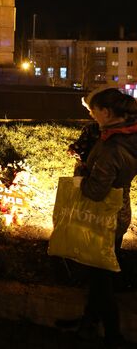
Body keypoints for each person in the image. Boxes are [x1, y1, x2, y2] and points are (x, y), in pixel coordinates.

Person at [56, 88, 137, 348]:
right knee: (98, 274)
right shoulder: (130, 134)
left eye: (94, 110)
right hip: (120, 210)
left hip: (103, 218)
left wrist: (81, 174)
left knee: (101, 280)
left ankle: (114, 337)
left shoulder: (112, 146)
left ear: (106, 112)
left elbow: (94, 192)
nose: (91, 115)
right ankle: (88, 324)